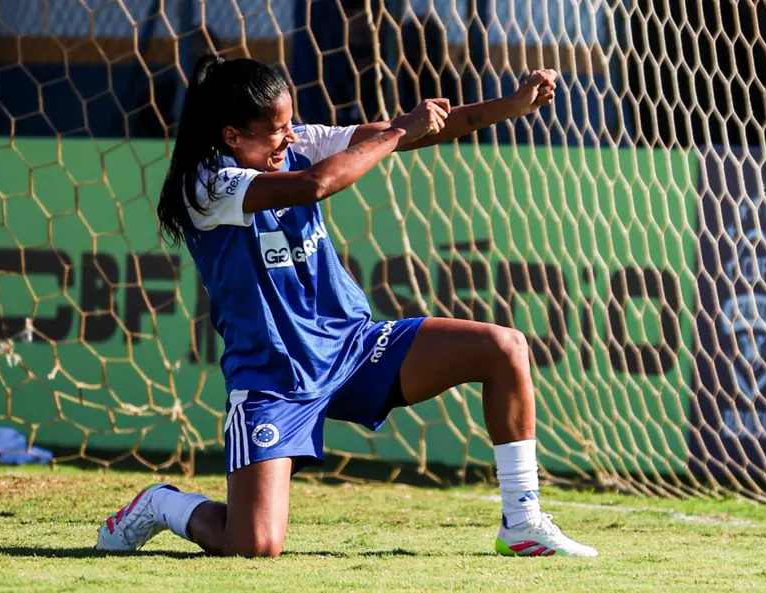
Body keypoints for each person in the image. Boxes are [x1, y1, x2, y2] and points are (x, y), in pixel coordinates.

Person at [95, 54, 597, 559]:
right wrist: (397, 134)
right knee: (253, 546)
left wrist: (510, 106)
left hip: (354, 347)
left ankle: (523, 521)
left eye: (291, 123)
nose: (290, 137)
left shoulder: (296, 143)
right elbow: (314, 185)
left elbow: (416, 130)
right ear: (230, 136)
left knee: (503, 347)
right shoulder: (206, 183)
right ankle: (162, 504)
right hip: (275, 377)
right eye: (275, 130)